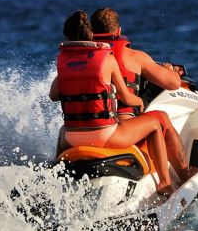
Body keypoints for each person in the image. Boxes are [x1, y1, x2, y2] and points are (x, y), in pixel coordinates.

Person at [49, 11, 175, 195]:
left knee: (62, 131)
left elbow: (53, 95)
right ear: (91, 35)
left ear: (67, 38)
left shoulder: (64, 63)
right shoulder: (106, 60)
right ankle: (165, 185)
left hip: (72, 139)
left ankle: (56, 178)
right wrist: (139, 101)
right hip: (104, 136)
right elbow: (126, 98)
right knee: (155, 125)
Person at [90, 7, 191, 180]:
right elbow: (173, 83)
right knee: (161, 119)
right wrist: (168, 70)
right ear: (118, 30)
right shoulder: (134, 57)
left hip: (88, 128)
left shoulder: (84, 60)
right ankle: (183, 178)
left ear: (91, 33)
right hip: (121, 128)